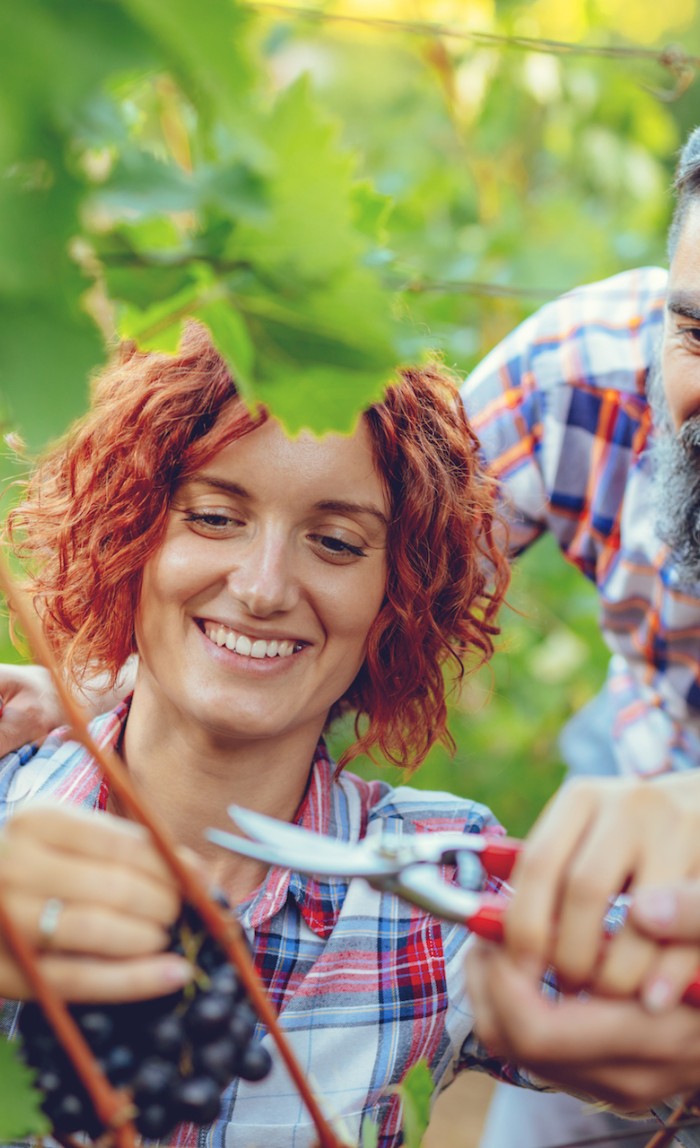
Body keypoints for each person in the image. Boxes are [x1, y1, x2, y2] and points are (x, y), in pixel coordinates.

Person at [6, 323, 700, 1148]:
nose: (263, 589)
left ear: (397, 596)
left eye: (335, 542)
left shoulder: (442, 884)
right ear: (131, 533)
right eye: (217, 517)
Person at [459, 124, 700, 1147]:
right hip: (641, 750)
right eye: (696, 334)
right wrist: (127, 703)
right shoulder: (585, 366)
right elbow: (366, 577)